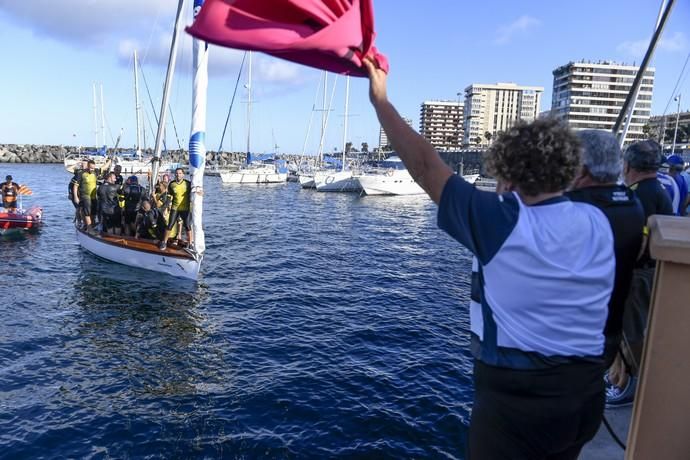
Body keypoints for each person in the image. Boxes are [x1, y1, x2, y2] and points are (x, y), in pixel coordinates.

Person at [364, 59, 614, 459]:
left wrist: (380, 101)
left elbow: (427, 167)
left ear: (508, 174)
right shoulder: (596, 220)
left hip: (519, 404)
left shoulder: (502, 223)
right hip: (585, 393)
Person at [565, 130, 645, 368]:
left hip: (572, 335)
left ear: (581, 169)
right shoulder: (632, 202)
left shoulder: (574, 207)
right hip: (609, 327)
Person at [606, 140, 674, 408]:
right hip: (648, 272)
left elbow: (639, 241)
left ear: (628, 165)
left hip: (637, 275)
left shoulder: (642, 194)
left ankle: (629, 387)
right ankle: (620, 377)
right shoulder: (657, 189)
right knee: (631, 327)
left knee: (631, 330)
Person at [159, 168, 193, 250]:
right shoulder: (172, 184)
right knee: (170, 225)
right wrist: (166, 207)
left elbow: (195, 191)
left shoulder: (188, 184)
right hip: (175, 208)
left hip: (185, 208)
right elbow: (169, 195)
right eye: (177, 173)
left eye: (180, 173)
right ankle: (164, 242)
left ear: (183, 174)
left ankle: (190, 243)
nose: (178, 175)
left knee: (188, 226)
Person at [72, 160, 98, 229]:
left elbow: (104, 168)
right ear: (88, 166)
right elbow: (75, 186)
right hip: (85, 195)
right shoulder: (81, 174)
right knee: (87, 212)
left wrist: (109, 161)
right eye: (91, 168)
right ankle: (89, 229)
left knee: (93, 213)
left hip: (93, 196)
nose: (92, 169)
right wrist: (75, 197)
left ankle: (91, 225)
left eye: (93, 168)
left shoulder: (95, 172)